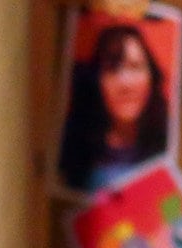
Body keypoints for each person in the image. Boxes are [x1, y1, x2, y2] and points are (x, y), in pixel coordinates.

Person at [57, 22, 170, 197]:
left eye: (135, 67)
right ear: (96, 81)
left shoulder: (168, 146)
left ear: (152, 77)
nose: (125, 83)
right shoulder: (72, 150)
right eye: (112, 70)